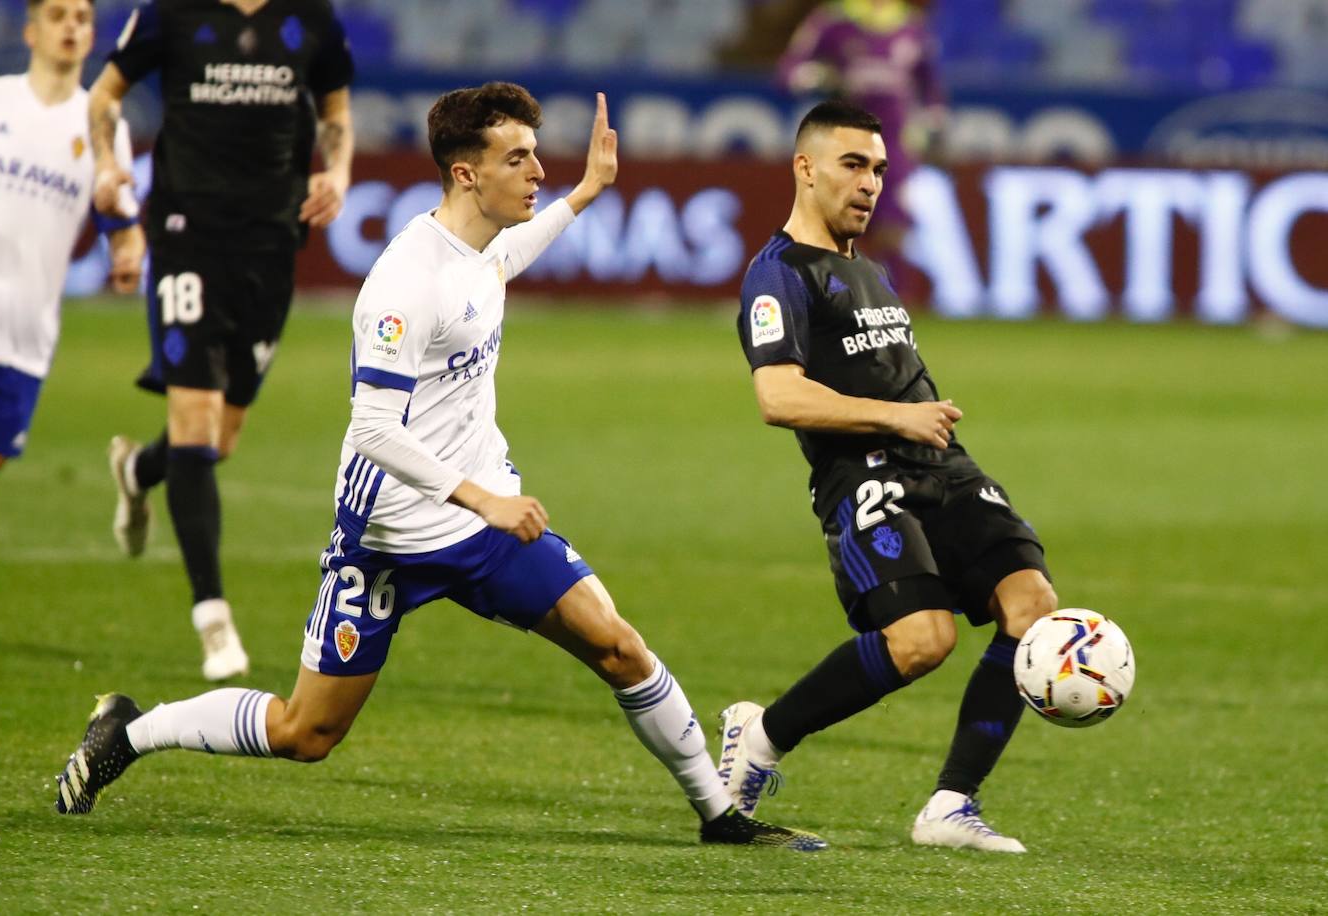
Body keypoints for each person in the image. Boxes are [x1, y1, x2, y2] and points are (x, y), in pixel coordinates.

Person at [54, 82, 826, 851]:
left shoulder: (477, 254)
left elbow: (502, 264)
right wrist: (482, 499)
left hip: (485, 526)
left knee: (619, 646)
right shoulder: (404, 282)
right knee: (306, 732)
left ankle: (721, 817)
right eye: (517, 158)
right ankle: (132, 729)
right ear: (466, 174)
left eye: (536, 155)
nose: (536, 172)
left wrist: (588, 193)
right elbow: (372, 428)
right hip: (390, 535)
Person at [718, 100, 1058, 853]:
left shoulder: (866, 268)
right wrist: (898, 418)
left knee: (1031, 605)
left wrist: (920, 426)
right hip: (864, 473)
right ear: (804, 169)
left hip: (944, 466)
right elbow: (779, 397)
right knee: (921, 641)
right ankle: (762, 734)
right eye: (852, 164)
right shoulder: (778, 275)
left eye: (877, 167)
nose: (871, 182)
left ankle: (950, 807)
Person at [88, 0, 356, 680]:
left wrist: (338, 171)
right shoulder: (172, 13)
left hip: (270, 243)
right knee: (195, 422)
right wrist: (104, 164)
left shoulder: (310, 17)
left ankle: (138, 470)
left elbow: (335, 114)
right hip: (185, 235)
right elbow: (105, 95)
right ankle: (213, 619)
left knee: (218, 439)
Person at [0, 0, 144, 556]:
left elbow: (123, 227)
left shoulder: (105, 128)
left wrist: (127, 255)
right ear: (31, 31)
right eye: (58, 15)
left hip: (27, 336)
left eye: (82, 18)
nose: (71, 26)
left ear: (91, 38)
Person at [776, 0, 947, 300]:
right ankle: (828, 296)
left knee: (892, 227)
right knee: (838, 223)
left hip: (895, 143)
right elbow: (790, 68)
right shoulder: (834, 21)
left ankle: (894, 299)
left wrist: (933, 116)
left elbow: (930, 82)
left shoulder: (911, 27)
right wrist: (811, 75)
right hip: (845, 145)